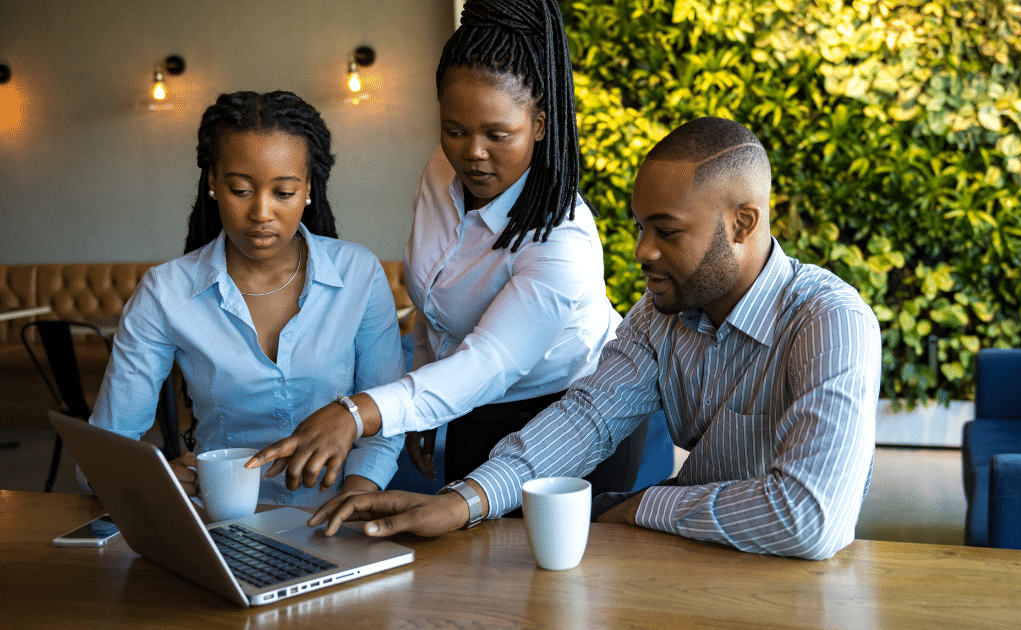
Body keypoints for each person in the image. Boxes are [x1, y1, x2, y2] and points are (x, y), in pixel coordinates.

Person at [305, 117, 882, 560]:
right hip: (688, 562)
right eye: (639, 227)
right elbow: (585, 420)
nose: (642, 252)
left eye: (667, 231)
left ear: (744, 223)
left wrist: (642, 505)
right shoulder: (660, 318)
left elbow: (809, 517)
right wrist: (460, 504)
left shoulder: (831, 323)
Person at [248, 0, 621, 496]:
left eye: (498, 134)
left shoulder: (561, 241)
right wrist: (421, 397)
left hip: (562, 416)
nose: (473, 152)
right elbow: (435, 313)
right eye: (455, 130)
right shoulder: (442, 171)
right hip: (466, 400)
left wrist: (358, 413)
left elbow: (488, 363)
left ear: (541, 124)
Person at [85, 90, 405, 507]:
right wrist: (158, 477)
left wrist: (353, 502)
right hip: (220, 518)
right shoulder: (166, 292)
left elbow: (384, 415)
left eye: (284, 193)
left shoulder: (358, 274)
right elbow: (103, 450)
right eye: (240, 189)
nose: (261, 212)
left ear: (309, 188)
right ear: (214, 184)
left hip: (337, 513)